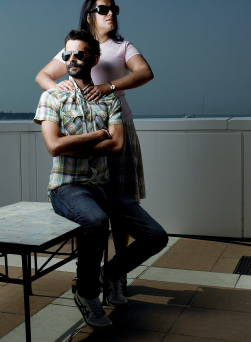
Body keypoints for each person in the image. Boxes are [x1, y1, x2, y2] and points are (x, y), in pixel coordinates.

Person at [34, 29, 168, 331]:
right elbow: (54, 146)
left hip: (102, 187)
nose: (72, 59)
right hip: (67, 187)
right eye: (67, 54)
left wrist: (73, 143)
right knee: (96, 222)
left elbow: (117, 145)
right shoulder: (52, 96)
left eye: (79, 54)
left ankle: (110, 274)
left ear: (94, 59)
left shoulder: (109, 100)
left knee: (156, 236)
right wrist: (98, 135)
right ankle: (87, 293)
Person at [35, 0, 153, 286]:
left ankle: (117, 276)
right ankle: (85, 275)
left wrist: (107, 87)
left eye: (114, 8)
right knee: (88, 207)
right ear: (90, 15)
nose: (111, 13)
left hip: (117, 125)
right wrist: (63, 92)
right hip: (84, 128)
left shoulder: (122, 46)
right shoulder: (77, 48)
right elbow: (43, 76)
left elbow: (145, 73)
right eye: (103, 9)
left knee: (122, 203)